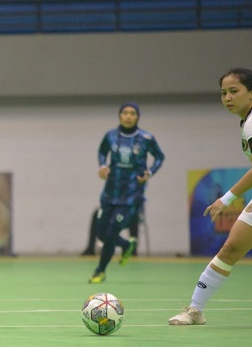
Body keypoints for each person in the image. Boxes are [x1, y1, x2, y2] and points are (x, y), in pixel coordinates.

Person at [169, 67, 252, 325]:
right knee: (231, 248)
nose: (227, 97)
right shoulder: (246, 123)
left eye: (234, 91)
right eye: (223, 93)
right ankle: (195, 311)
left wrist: (226, 198)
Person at [88, 102, 165, 283]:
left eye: (132, 113)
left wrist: (150, 172)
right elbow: (101, 151)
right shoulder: (111, 136)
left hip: (132, 194)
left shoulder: (146, 138)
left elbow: (160, 157)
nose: (129, 116)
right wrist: (102, 165)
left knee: (112, 231)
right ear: (120, 116)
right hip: (110, 192)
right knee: (101, 233)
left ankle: (100, 270)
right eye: (125, 113)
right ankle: (126, 244)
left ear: (137, 117)